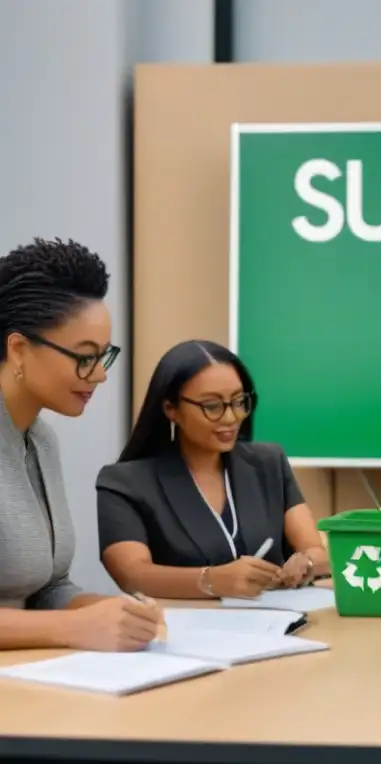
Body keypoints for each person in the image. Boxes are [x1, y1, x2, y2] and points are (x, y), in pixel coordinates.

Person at [0, 238, 163, 651]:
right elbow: (53, 620)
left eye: (103, 357)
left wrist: (119, 611)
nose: (99, 375)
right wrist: (72, 629)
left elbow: (47, 589)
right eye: (84, 357)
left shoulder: (41, 440)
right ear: (18, 349)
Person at [96, 341, 329, 599]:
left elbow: (316, 552)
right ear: (171, 409)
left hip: (277, 624)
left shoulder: (268, 463)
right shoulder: (124, 482)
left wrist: (305, 562)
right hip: (185, 630)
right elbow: (132, 575)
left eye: (239, 401)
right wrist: (211, 580)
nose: (231, 418)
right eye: (213, 406)